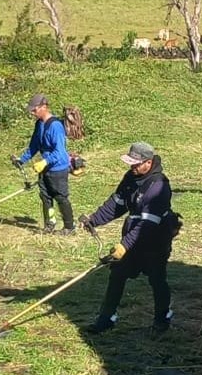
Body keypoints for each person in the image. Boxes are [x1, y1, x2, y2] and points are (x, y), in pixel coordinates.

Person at [80, 142, 180, 333]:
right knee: (117, 275)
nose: (132, 168)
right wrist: (94, 220)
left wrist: (124, 245)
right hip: (133, 237)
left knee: (157, 279)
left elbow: (147, 225)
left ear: (148, 162)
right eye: (130, 164)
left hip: (155, 240)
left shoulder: (159, 185)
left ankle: (162, 317)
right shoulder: (131, 177)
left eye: (136, 164)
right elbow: (117, 204)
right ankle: (106, 318)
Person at [15, 94, 75, 234]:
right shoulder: (39, 124)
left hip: (58, 168)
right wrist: (22, 159)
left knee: (60, 197)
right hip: (45, 168)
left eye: (34, 110)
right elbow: (34, 146)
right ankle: (50, 223)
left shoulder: (55, 126)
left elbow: (60, 152)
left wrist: (45, 161)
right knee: (45, 197)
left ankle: (69, 227)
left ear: (44, 107)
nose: (32, 112)